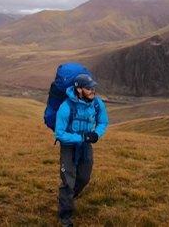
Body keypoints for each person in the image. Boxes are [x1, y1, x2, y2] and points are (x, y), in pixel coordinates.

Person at [54, 73, 109, 227]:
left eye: (93, 87)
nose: (93, 90)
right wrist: (82, 138)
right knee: (68, 181)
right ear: (79, 90)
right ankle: (65, 217)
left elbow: (103, 121)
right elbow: (59, 133)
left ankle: (68, 199)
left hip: (85, 146)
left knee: (84, 178)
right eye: (89, 88)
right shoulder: (65, 108)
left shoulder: (97, 104)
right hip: (69, 147)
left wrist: (96, 134)